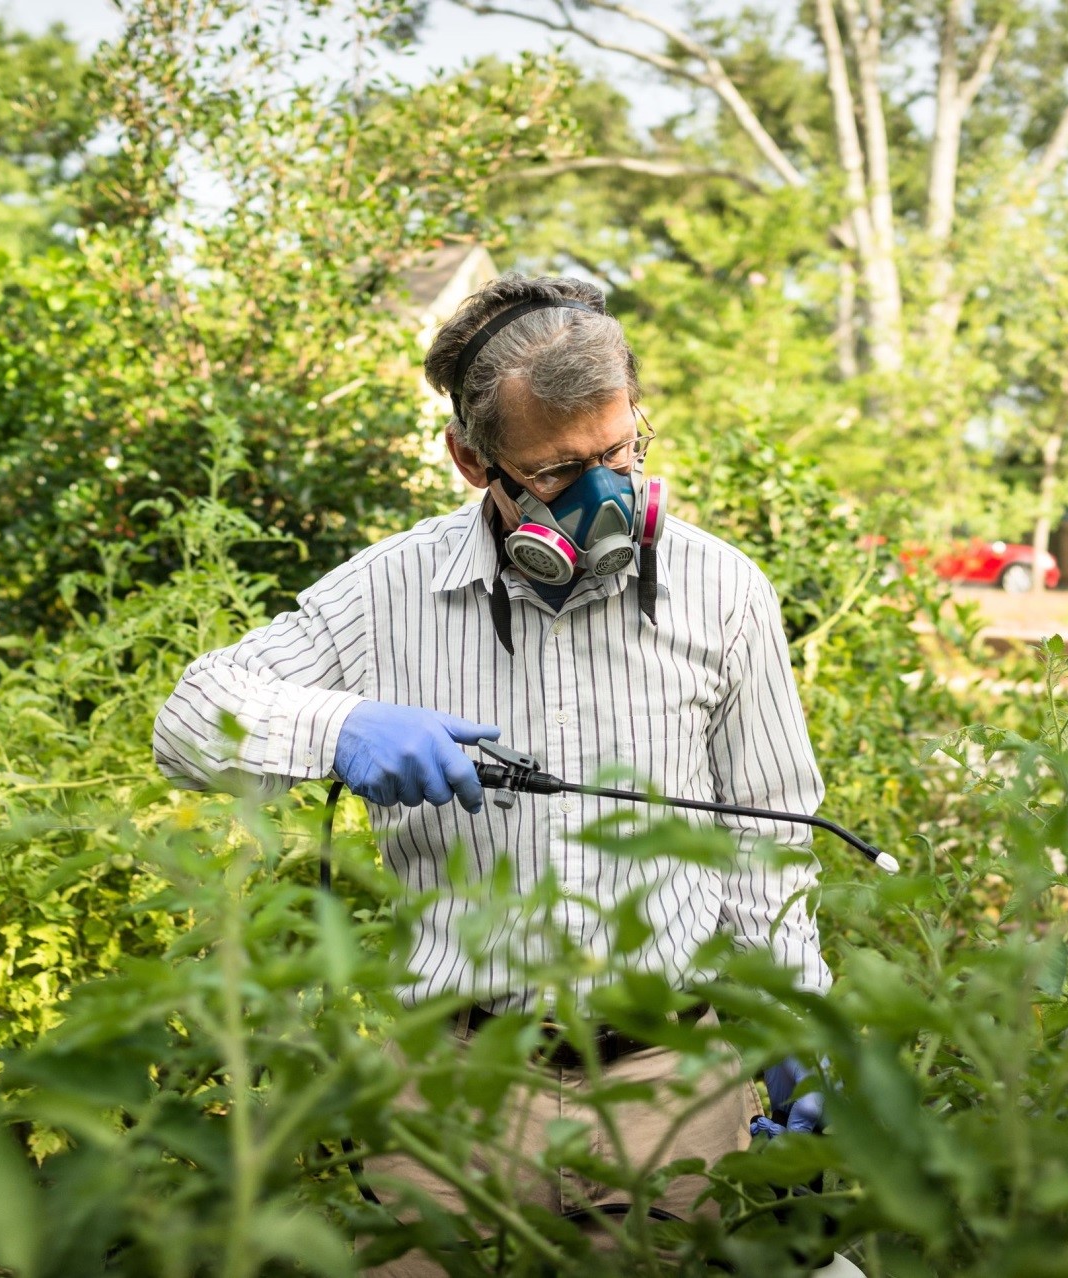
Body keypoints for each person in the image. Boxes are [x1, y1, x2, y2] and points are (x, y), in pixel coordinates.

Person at [153, 273, 833, 1272]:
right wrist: (340, 727)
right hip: (453, 1093)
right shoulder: (389, 591)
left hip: (672, 1092)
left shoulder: (721, 590)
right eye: (559, 472)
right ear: (472, 460)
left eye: (619, 452)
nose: (605, 494)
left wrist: (796, 1017)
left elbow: (765, 833)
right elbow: (188, 721)